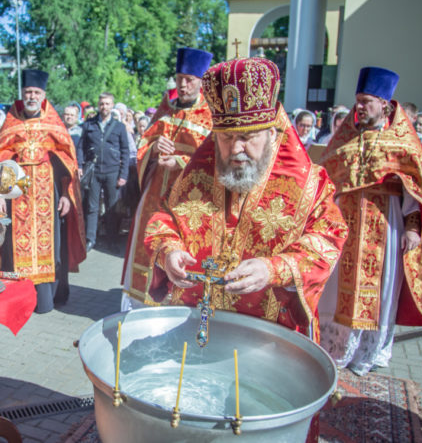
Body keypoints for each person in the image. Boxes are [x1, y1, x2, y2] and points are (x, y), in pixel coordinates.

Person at [144, 56, 346, 340]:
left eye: (248, 136)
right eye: (226, 138)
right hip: (194, 323)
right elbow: (164, 218)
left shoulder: (310, 185)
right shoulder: (196, 175)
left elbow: (327, 240)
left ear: (272, 134)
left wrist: (274, 269)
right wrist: (169, 251)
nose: (236, 149)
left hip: (269, 337)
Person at [319, 66, 422, 376]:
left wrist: (412, 226)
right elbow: (326, 177)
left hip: (386, 223)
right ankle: (335, 346)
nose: (359, 106)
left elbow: (418, 187)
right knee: (335, 287)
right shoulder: (345, 138)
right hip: (346, 222)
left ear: (384, 104)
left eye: (366, 100)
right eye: (358, 99)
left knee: (380, 289)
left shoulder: (404, 142)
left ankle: (366, 352)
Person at [122, 47, 214, 310]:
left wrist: (181, 161)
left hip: (186, 201)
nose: (183, 85)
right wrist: (153, 147)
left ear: (200, 82)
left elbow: (213, 161)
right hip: (154, 196)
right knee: (146, 242)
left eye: (189, 80)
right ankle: (139, 305)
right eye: (180, 78)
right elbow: (144, 142)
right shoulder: (165, 108)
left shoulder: (209, 117)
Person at [0, 69, 86, 313]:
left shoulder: (53, 122)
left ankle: (46, 299)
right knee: (16, 247)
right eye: (27, 93)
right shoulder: (11, 122)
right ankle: (19, 297)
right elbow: (2, 159)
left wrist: (67, 194)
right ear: (22, 95)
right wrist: (0, 196)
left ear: (43, 94)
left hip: (48, 196)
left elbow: (68, 160)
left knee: (49, 246)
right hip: (17, 197)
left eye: (36, 92)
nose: (31, 96)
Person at [77, 92, 130, 251]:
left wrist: (123, 175)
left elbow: (125, 152)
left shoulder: (119, 127)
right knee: (92, 207)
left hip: (112, 172)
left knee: (111, 207)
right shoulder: (89, 125)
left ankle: (112, 239)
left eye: (107, 104)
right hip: (94, 171)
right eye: (102, 104)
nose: (104, 107)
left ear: (112, 105)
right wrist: (80, 165)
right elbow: (81, 147)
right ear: (98, 105)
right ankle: (90, 239)